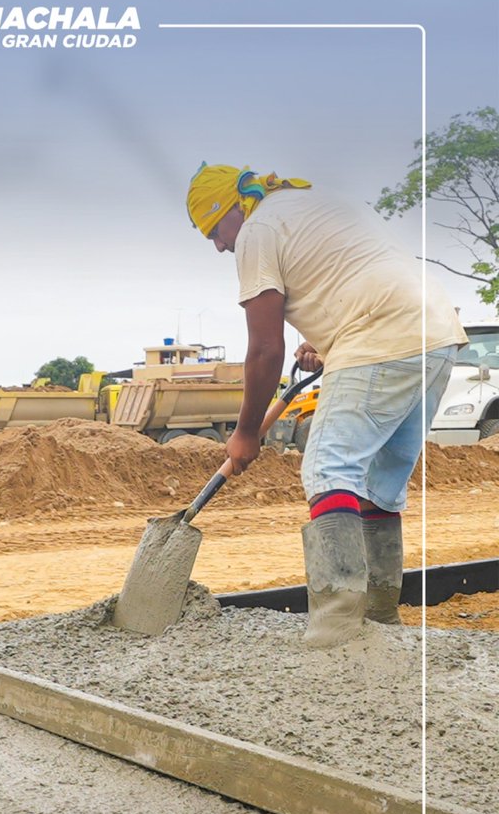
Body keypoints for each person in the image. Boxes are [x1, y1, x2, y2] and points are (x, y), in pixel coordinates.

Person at [186, 163, 467, 647]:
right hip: (436, 334)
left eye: (213, 230)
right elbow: (347, 275)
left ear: (231, 209)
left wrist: (247, 430)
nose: (217, 244)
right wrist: (327, 343)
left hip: (381, 334)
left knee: (328, 469)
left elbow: (265, 350)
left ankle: (337, 632)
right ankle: (379, 622)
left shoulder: (257, 230)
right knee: (378, 487)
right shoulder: (314, 202)